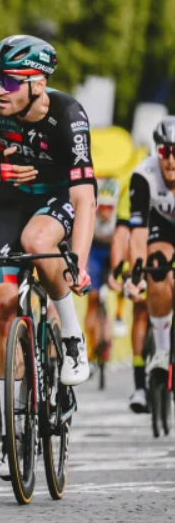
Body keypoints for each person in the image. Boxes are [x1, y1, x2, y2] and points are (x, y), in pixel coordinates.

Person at [0, 34, 95, 479]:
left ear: (39, 83)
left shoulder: (69, 115)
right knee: (3, 303)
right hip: (11, 200)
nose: (0, 88)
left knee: (37, 242)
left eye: (11, 80)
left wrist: (79, 261)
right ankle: (12, 430)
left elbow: (85, 198)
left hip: (58, 198)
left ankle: (71, 337)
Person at [124, 118, 175, 404]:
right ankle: (162, 351)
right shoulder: (143, 175)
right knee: (156, 267)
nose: (171, 161)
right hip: (160, 227)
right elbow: (138, 234)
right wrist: (136, 276)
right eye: (165, 151)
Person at [107, 170, 150, 412]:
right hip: (142, 243)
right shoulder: (135, 183)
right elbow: (123, 233)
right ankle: (140, 385)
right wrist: (118, 269)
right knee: (141, 307)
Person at [84, 178, 122, 374]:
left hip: (113, 249)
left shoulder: (119, 216)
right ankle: (90, 352)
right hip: (95, 250)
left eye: (110, 208)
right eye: (103, 207)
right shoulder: (91, 213)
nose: (106, 212)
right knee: (92, 299)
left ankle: (119, 315)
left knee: (120, 279)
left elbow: (121, 246)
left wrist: (117, 272)